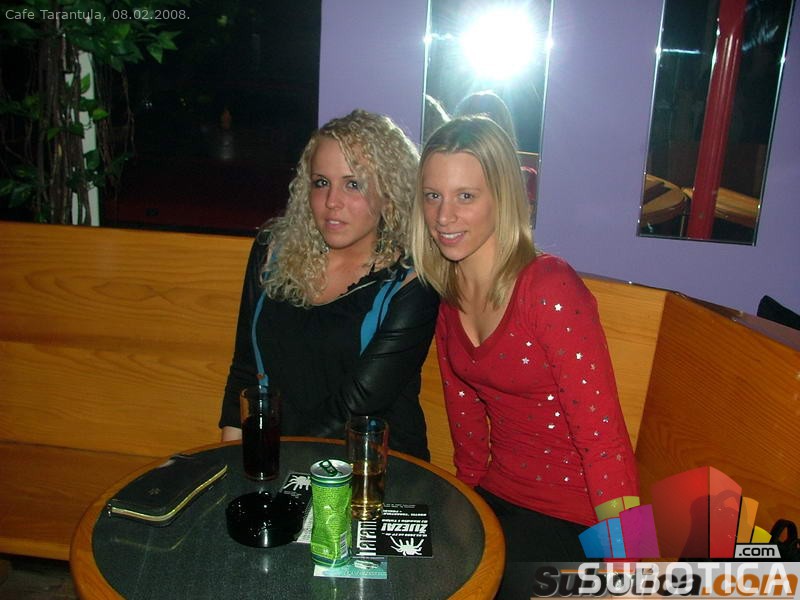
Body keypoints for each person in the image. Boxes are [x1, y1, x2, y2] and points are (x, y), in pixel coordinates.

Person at [410, 116, 639, 587]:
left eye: (465, 196)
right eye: (433, 196)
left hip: (576, 514)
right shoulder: (449, 294)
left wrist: (632, 569)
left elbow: (605, 440)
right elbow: (466, 424)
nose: (444, 216)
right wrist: (463, 509)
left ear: (502, 197)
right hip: (500, 499)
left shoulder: (548, 286)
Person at [219, 109, 439, 460]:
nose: (332, 202)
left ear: (389, 192)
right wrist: (232, 465)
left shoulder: (411, 283)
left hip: (374, 469)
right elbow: (246, 372)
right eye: (321, 182)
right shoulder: (272, 252)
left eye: (353, 184)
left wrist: (274, 461)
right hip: (280, 460)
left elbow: (353, 406)